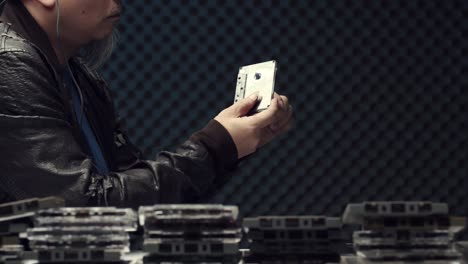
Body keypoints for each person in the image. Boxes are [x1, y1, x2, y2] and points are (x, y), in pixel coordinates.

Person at [0, 0, 294, 207]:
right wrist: (216, 146)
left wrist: (232, 146)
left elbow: (137, 199)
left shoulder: (80, 78)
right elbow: (79, 207)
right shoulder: (10, 65)